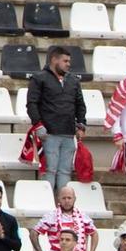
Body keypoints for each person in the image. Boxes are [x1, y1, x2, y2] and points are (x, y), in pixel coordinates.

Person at [25, 46, 85, 193]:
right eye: (65, 61)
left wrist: (81, 124)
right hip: (49, 133)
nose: (68, 64)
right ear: (54, 60)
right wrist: (38, 125)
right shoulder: (39, 78)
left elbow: (80, 104)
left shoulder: (73, 80)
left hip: (68, 133)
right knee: (49, 170)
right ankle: (46, 202)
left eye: (69, 61)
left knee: (65, 170)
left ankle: (63, 204)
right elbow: (31, 103)